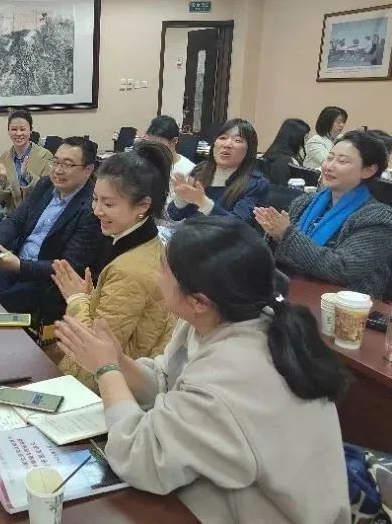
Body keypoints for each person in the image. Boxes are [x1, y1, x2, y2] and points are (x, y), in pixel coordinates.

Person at [55, 216, 350, 524]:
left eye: (164, 270)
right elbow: (168, 382)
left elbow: (139, 458)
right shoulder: (230, 319)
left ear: (198, 301)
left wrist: (106, 370)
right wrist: (119, 360)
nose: (157, 278)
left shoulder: (234, 371)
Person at [52, 142, 176, 388]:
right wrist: (92, 299)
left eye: (108, 204)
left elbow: (99, 354)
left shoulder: (130, 269)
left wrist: (76, 299)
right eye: (95, 199)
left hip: (119, 388)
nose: (97, 211)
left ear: (143, 206)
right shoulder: (142, 242)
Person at [0, 137, 102, 324]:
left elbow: (70, 266)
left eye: (67, 165)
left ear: (87, 170)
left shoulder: (92, 207)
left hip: (46, 281)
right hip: (17, 263)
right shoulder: (45, 185)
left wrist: (19, 265)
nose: (58, 170)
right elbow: (16, 219)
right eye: (55, 162)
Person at [255, 130, 392, 297]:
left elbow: (342, 269)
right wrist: (274, 235)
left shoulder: (378, 218)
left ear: (368, 170)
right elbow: (279, 257)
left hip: (341, 303)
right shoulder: (305, 202)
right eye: (329, 158)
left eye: (342, 161)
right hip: (292, 290)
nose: (329, 166)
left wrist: (286, 234)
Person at [167, 118, 268, 224]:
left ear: (249, 149)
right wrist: (181, 200)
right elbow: (175, 215)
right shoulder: (201, 170)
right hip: (190, 233)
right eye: (223, 138)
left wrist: (203, 202)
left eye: (238, 140)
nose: (227, 144)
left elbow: (238, 225)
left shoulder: (256, 183)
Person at [0, 109, 53, 214]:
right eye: (14, 129)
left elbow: (49, 192)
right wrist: (2, 179)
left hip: (37, 214)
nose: (18, 133)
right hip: (12, 215)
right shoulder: (4, 158)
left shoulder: (45, 156)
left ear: (30, 131)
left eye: (23, 129)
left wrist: (27, 177)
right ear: (8, 131)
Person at [143, 115, 195, 202]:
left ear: (174, 141)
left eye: (158, 145)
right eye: (150, 143)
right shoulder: (146, 163)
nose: (153, 149)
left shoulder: (189, 170)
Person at [260, 118, 311, 186]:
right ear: (296, 138)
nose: (307, 142)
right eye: (306, 138)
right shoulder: (286, 162)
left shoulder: (271, 154)